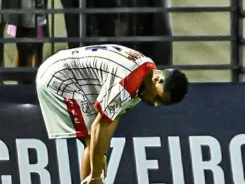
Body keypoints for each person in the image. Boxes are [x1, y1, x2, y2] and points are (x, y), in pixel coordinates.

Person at [35, 45, 187, 184]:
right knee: (91, 141)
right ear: (157, 79)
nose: (155, 104)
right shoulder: (129, 82)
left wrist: (103, 153)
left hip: (70, 72)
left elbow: (113, 116)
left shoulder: (146, 74)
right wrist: (95, 175)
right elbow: (98, 127)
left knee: (98, 149)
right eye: (158, 98)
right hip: (58, 77)